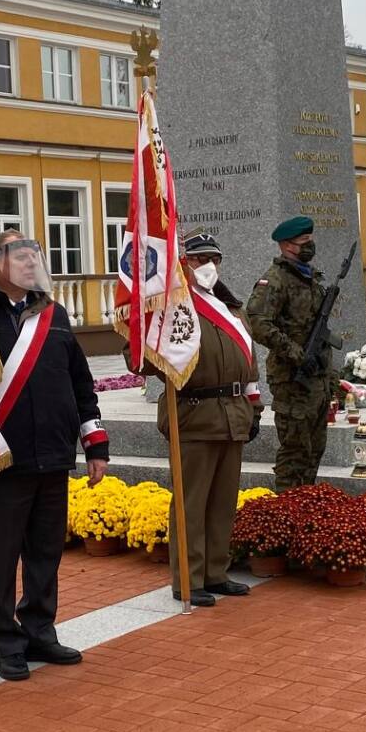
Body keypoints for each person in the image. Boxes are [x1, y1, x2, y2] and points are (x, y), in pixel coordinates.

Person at [0, 229, 110, 682]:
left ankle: (40, 631)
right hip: (2, 458)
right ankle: (5, 642)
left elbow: (80, 382)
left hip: (54, 452)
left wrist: (94, 443)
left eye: (35, 256)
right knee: (1, 556)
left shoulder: (54, 312)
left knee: (46, 551)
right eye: (22, 256)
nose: (32, 263)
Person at [165, 232, 260, 607]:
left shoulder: (230, 306)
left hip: (232, 413)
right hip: (194, 412)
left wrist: (253, 406)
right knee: (191, 501)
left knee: (223, 500)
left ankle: (217, 572)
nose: (208, 266)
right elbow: (139, 356)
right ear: (184, 264)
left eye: (213, 260)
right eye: (199, 259)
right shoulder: (174, 305)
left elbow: (249, 362)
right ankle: (188, 579)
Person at [245, 215, 338, 491]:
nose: (309, 246)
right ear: (287, 246)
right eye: (303, 242)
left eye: (310, 240)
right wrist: (296, 353)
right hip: (293, 379)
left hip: (318, 378)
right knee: (295, 451)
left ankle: (305, 502)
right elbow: (258, 323)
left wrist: (329, 375)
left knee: (315, 448)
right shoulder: (275, 280)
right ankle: (288, 508)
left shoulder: (311, 278)